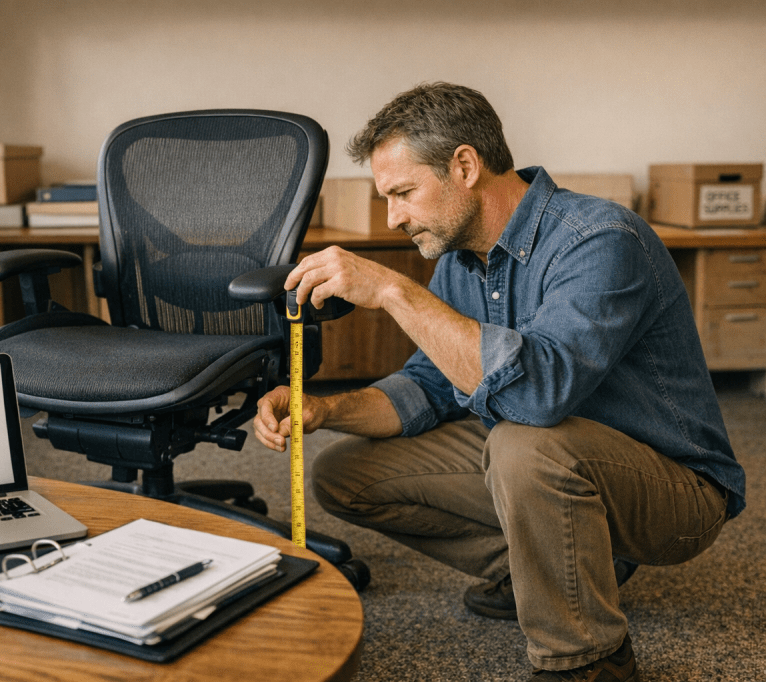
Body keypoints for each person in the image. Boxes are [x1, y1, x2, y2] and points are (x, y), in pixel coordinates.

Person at [253, 82, 745, 681]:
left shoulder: (600, 240)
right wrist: (322, 411)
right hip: (552, 460)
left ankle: (587, 660)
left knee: (520, 441)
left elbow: (539, 396)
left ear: (464, 165)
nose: (394, 218)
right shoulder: (461, 264)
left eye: (403, 193)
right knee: (342, 473)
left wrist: (391, 291)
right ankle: (570, 565)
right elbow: (426, 389)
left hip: (675, 488)